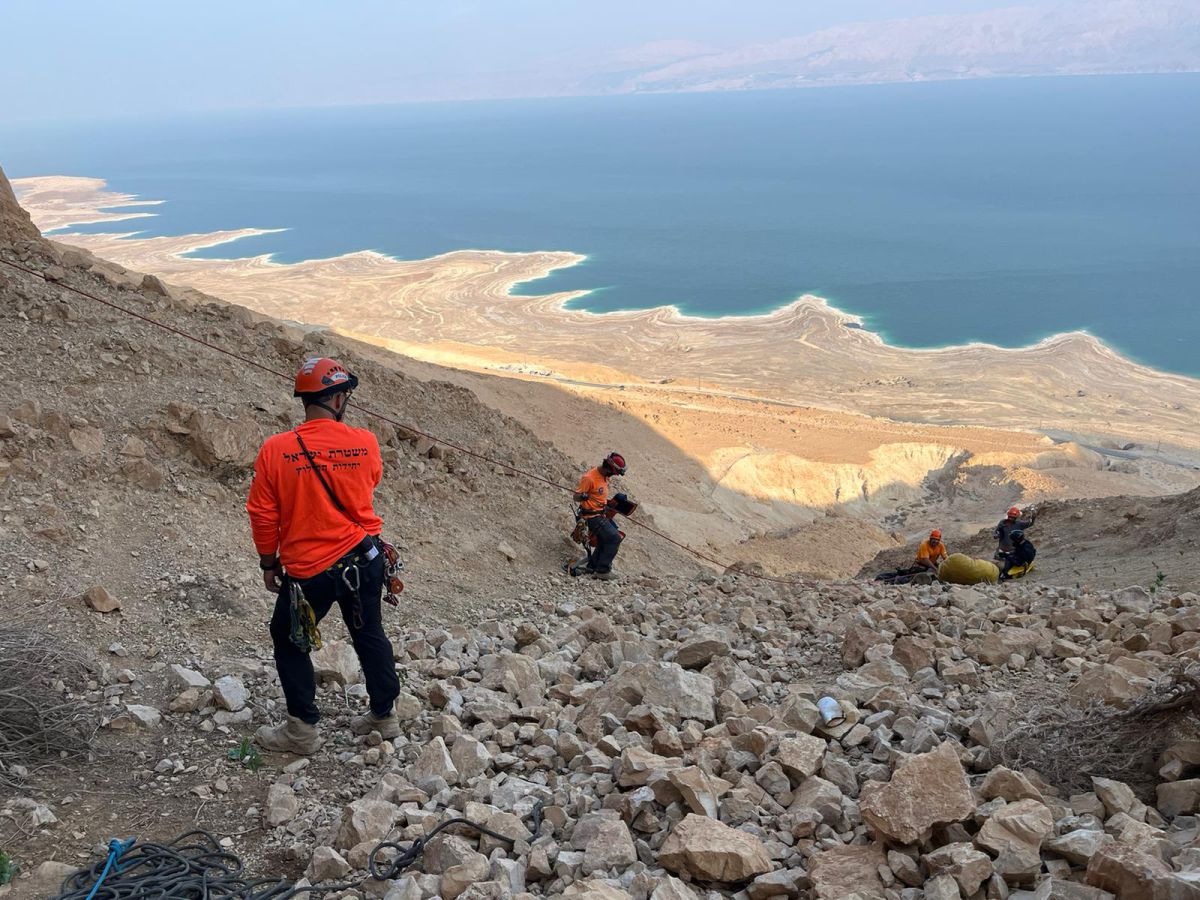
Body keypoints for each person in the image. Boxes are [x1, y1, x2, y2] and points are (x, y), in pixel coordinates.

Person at [246, 357, 401, 755]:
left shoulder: (276, 449)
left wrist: (268, 562)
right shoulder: (365, 442)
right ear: (336, 399)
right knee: (369, 633)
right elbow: (370, 482)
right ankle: (384, 716)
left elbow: (263, 514)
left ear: (305, 399)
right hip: (363, 559)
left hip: (308, 571)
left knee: (289, 639)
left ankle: (302, 732)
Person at [569, 452, 627, 580]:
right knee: (614, 538)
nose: (615, 475)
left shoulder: (604, 476)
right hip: (591, 517)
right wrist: (582, 496)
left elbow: (598, 494)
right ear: (609, 468)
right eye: (614, 472)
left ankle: (593, 566)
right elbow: (576, 496)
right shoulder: (589, 478)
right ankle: (603, 570)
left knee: (606, 539)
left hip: (600, 514)